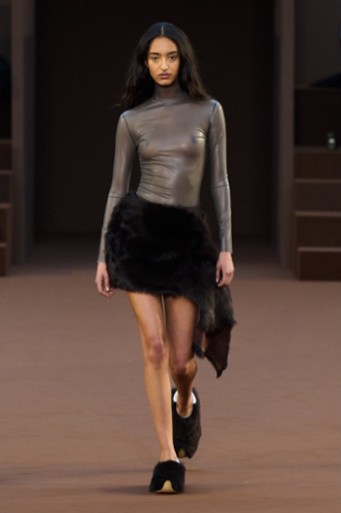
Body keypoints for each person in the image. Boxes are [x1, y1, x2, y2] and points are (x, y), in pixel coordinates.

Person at [94, 21, 236, 494]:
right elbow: (117, 189)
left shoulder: (209, 111)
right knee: (153, 347)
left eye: (170, 57)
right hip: (135, 234)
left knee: (180, 362)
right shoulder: (131, 120)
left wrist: (226, 247)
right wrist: (103, 256)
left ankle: (185, 401)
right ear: (144, 63)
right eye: (154, 57)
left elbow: (219, 181)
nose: (162, 66)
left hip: (186, 240)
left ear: (183, 60)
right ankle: (167, 457)